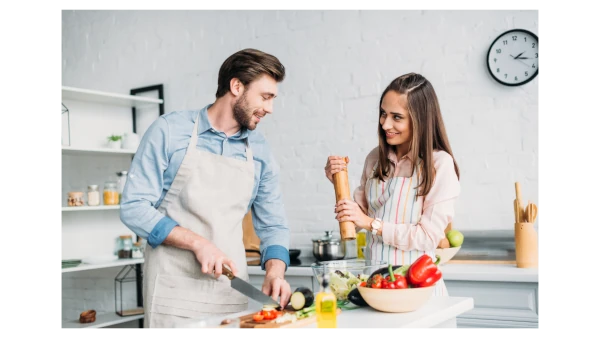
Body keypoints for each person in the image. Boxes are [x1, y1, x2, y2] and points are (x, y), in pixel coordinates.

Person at [120, 48, 292, 330]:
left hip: (230, 295)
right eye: (265, 97)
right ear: (236, 86)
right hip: (172, 296)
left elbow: (273, 223)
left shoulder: (259, 151)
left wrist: (275, 270)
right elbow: (133, 207)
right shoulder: (169, 131)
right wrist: (197, 243)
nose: (270, 108)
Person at [324, 72, 460, 296]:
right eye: (383, 113)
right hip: (376, 286)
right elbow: (355, 222)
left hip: (419, 290)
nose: (385, 123)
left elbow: (427, 237)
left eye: (397, 117)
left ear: (420, 120)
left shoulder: (439, 164)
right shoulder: (375, 159)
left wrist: (372, 224)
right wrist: (337, 183)